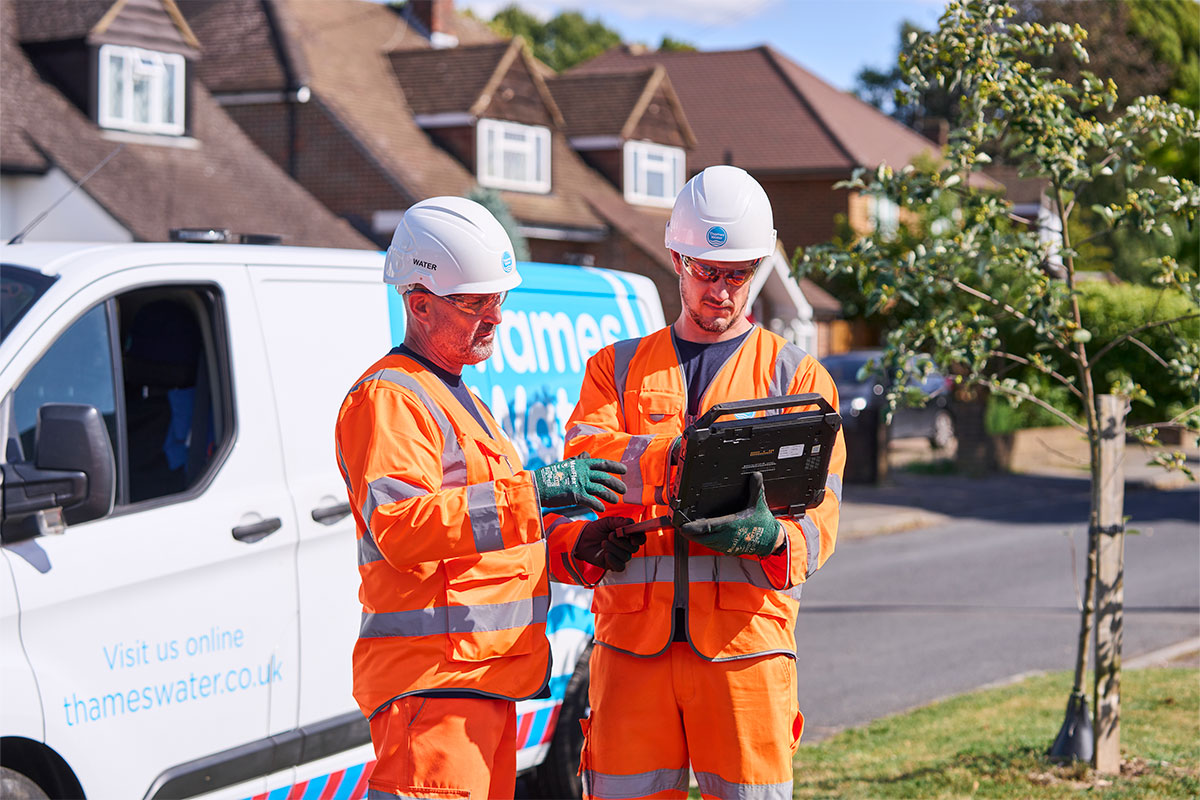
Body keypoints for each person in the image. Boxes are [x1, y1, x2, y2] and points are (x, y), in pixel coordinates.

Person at [549, 166, 847, 799]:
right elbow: (587, 458)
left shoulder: (798, 379)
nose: (722, 291)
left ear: (760, 264)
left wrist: (774, 539)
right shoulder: (615, 368)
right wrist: (684, 457)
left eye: (737, 273)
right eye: (707, 272)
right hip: (633, 651)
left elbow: (821, 518)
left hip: (745, 651)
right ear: (677, 259)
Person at [335, 196, 628, 800]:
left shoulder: (452, 395)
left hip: (479, 683)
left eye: (498, 299)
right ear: (418, 303)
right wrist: (539, 490)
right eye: (475, 302)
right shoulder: (391, 400)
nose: (495, 317)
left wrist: (573, 548)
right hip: (435, 688)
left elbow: (486, 542)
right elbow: (404, 528)